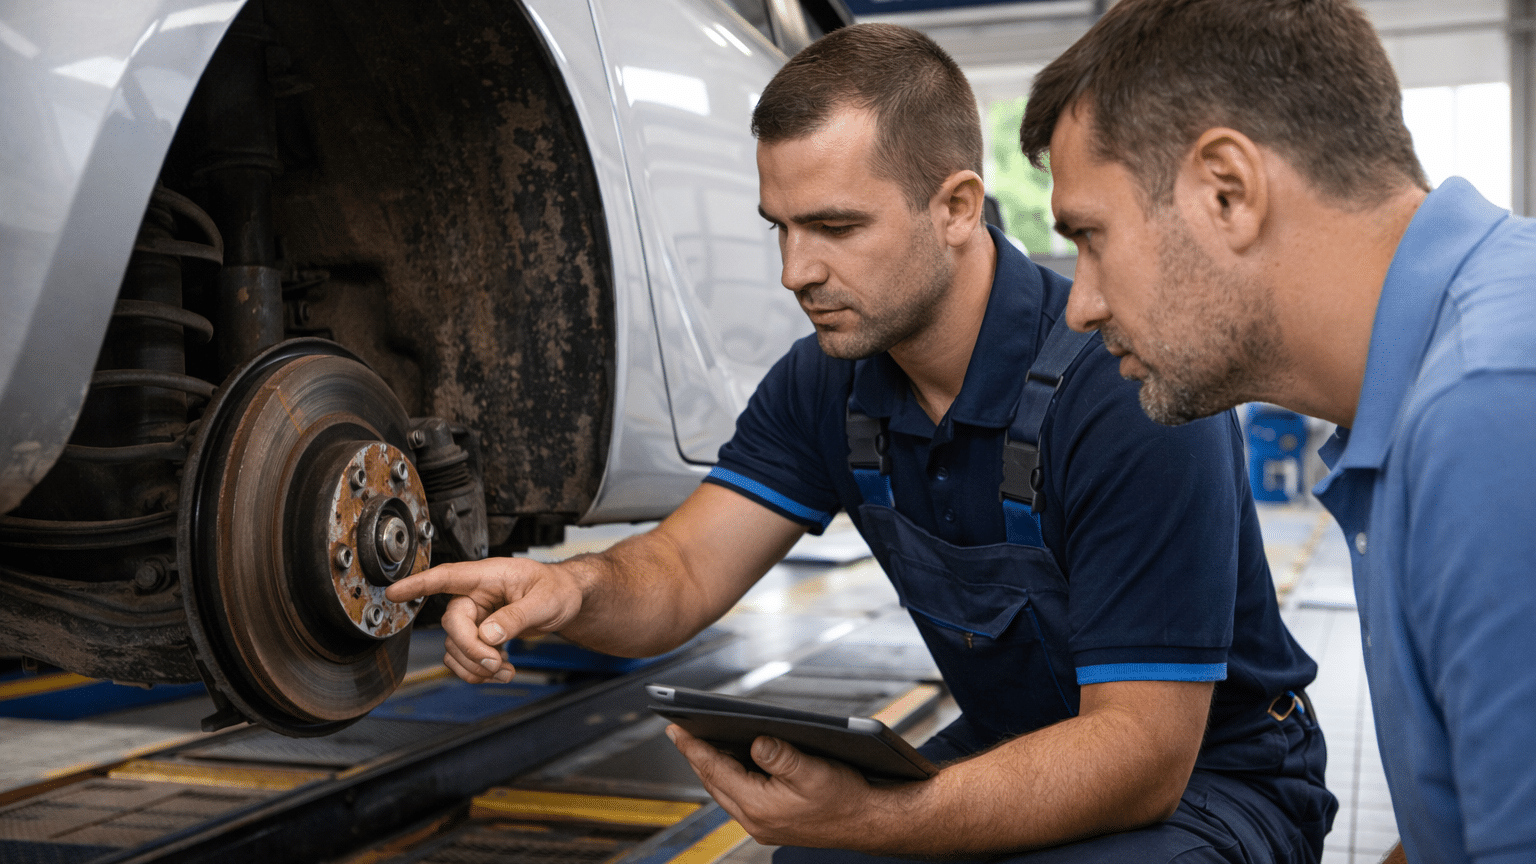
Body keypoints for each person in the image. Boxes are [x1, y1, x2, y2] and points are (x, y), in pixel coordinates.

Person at [388, 23, 1333, 862]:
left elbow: (1141, 758)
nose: (795, 271)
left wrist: (879, 818)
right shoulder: (827, 380)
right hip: (1018, 748)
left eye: (835, 226)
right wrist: (566, 591)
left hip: (1217, 782)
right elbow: (679, 572)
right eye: (781, 228)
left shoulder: (1119, 386)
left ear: (957, 208)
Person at [1018, 1, 1536, 862]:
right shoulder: (1432, 385)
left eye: (1092, 237)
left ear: (1228, 190)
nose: (1082, 305)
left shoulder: (1490, 409)